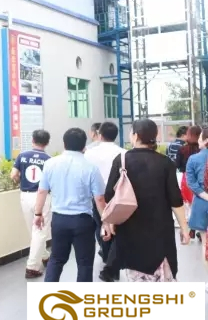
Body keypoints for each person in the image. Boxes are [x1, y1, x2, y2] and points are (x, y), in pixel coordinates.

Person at [105, 119, 190, 284]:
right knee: (163, 280)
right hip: (161, 231)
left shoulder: (121, 160)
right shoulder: (165, 162)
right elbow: (175, 199)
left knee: (137, 279)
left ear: (136, 136)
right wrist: (184, 229)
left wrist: (111, 222)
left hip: (130, 230)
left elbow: (110, 195)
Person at [34, 127, 109, 282]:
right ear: (84, 146)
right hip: (83, 221)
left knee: (56, 259)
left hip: (59, 220)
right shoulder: (91, 168)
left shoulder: (50, 164)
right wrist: (106, 222)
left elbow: (42, 191)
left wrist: (38, 214)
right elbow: (100, 199)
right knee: (84, 263)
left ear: (64, 143)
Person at [84, 122, 126, 282]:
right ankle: (113, 262)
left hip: (97, 197)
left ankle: (108, 258)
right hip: (118, 197)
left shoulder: (89, 153)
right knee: (117, 229)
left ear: (100, 135)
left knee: (100, 226)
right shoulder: (123, 153)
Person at [10, 129, 51, 279]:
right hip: (42, 197)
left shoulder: (22, 156)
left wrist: (19, 180)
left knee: (33, 230)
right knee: (40, 230)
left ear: (32, 140)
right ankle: (32, 267)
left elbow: (13, 175)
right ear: (47, 143)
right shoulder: (49, 160)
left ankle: (45, 256)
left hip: (25, 196)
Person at [184, 126, 208, 248]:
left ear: (206, 140)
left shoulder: (193, 159)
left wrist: (205, 196)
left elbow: (191, 183)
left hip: (201, 202)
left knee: (205, 243)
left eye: (200, 138)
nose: (198, 140)